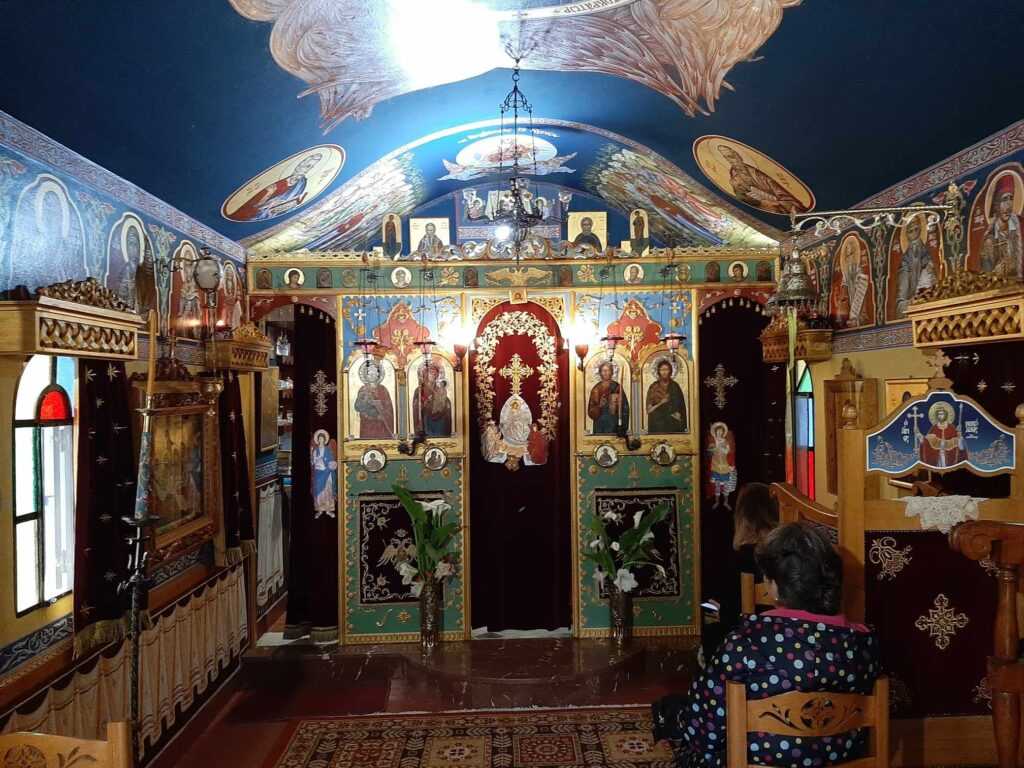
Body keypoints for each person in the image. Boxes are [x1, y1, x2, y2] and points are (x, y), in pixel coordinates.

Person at [654, 523, 880, 768]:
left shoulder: (743, 644)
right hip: (839, 759)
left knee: (674, 713)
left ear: (774, 586)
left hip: (757, 760)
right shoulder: (863, 644)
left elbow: (705, 732)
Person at [231, 153, 321, 221]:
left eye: (312, 167)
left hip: (273, 211)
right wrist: (268, 200)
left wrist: (292, 203)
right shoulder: (275, 183)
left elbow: (292, 202)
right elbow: (254, 204)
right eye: (308, 166)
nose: (308, 169)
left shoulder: (301, 183)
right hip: (255, 211)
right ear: (300, 165)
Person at [716, 144, 802, 215]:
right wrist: (759, 203)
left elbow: (786, 197)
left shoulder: (761, 176)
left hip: (778, 207)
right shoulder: (735, 177)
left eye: (731, 156)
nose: (730, 160)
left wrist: (777, 204)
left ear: (738, 156)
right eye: (726, 158)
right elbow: (741, 197)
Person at [980, 174, 1023, 279]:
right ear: (996, 205)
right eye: (1004, 199)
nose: (1008, 205)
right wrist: (995, 272)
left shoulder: (1021, 226)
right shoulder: (989, 240)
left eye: (1011, 198)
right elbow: (985, 277)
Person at [896, 216, 937, 316]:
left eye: (915, 227)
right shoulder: (905, 261)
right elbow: (901, 299)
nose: (913, 230)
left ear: (920, 228)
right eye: (910, 229)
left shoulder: (926, 254)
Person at [918, 400, 966, 468]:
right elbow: (927, 442)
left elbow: (959, 445)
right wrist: (921, 438)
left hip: (949, 457)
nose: (940, 416)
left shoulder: (951, 428)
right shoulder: (934, 428)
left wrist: (959, 439)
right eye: (939, 414)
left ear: (945, 415)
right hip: (938, 457)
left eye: (942, 414)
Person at [412, 361, 453, 437]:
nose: (433, 375)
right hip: (425, 422)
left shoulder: (440, 390)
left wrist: (442, 402)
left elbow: (444, 404)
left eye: (435, 373)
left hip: (440, 424)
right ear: (424, 375)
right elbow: (417, 408)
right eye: (430, 372)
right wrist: (424, 404)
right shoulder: (419, 390)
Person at [588, 361, 628, 434]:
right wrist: (600, 406)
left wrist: (617, 403)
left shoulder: (617, 387)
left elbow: (625, 407)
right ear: (600, 373)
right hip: (600, 423)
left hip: (613, 422)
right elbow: (591, 410)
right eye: (603, 371)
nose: (606, 373)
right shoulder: (596, 389)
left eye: (608, 370)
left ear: (612, 372)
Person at [646, 359, 686, 433]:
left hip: (672, 421)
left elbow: (681, 406)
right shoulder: (654, 386)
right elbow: (649, 410)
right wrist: (661, 402)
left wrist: (678, 413)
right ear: (658, 371)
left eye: (666, 369)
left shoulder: (675, 386)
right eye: (662, 370)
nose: (664, 372)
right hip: (657, 422)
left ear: (670, 371)